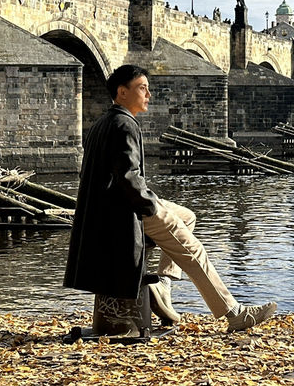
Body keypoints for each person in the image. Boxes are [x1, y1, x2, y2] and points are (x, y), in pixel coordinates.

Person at [64, 64, 277, 332]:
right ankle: (234, 313)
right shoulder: (124, 124)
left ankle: (163, 284)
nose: (149, 94)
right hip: (122, 213)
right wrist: (152, 207)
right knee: (192, 249)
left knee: (187, 216)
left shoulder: (103, 123)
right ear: (122, 92)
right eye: (142, 88)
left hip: (105, 210)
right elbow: (129, 179)